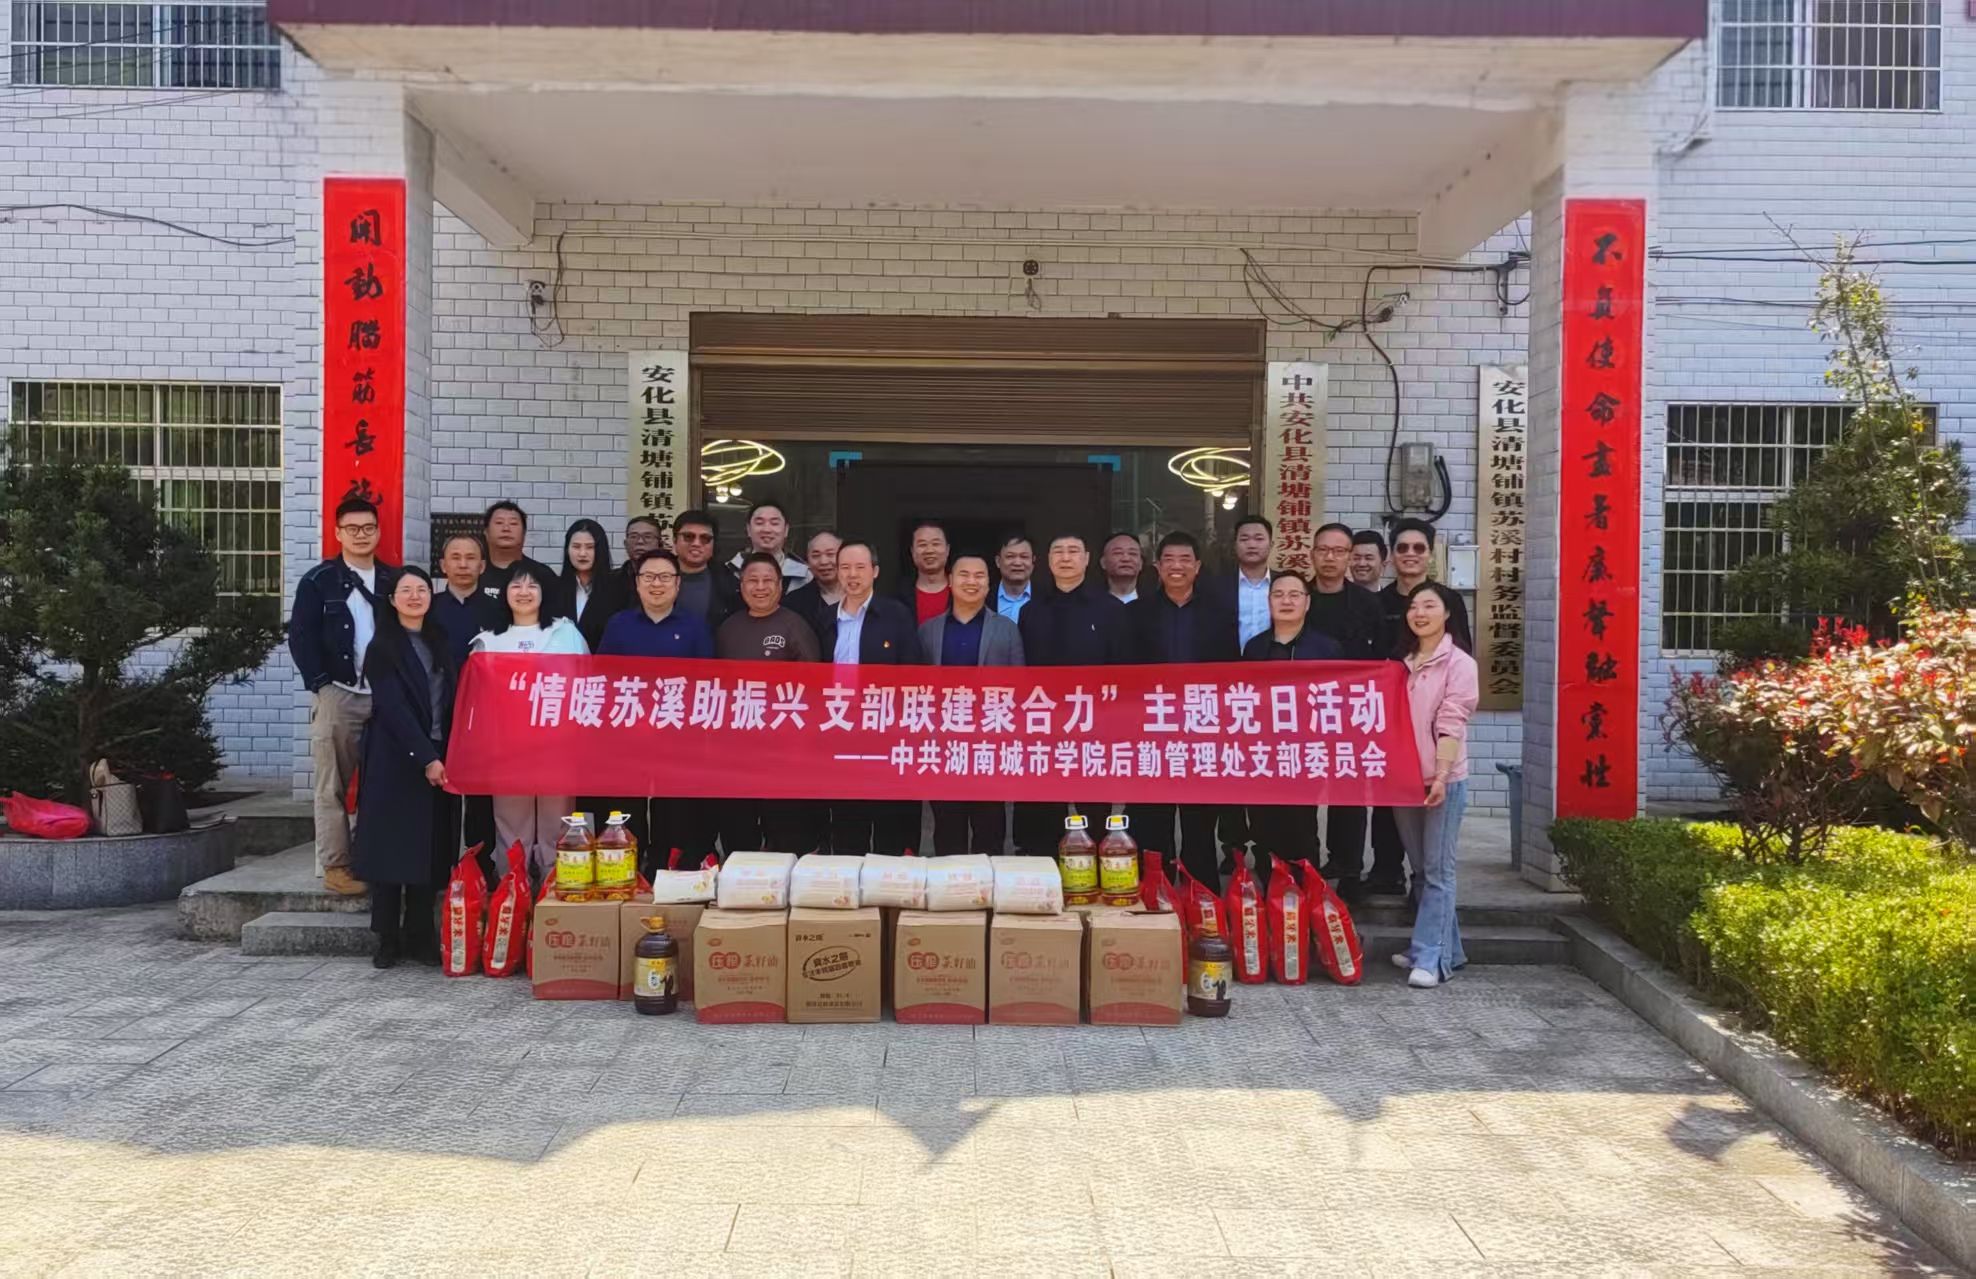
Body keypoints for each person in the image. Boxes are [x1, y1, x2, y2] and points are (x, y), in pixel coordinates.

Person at [286, 495, 396, 895]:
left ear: (378, 532)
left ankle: (375, 860)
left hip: (385, 696)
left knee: (382, 782)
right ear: (337, 533)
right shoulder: (319, 581)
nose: (360, 535)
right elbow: (300, 636)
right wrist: (321, 684)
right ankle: (335, 865)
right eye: (352, 529)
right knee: (331, 783)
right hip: (339, 693)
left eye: (368, 528)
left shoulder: (393, 580)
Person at [350, 567, 457, 969]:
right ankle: (387, 938)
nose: (415, 596)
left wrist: (444, 754)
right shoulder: (383, 647)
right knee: (391, 849)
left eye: (422, 589)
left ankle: (420, 935)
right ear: (392, 600)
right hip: (396, 757)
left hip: (439, 753)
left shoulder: (440, 640)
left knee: (428, 848)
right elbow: (392, 708)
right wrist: (426, 758)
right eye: (406, 590)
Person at [1125, 531, 1239, 887]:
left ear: (1198, 566)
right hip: (1150, 730)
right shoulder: (1135, 613)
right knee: (1150, 820)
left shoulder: (1219, 614)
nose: (1177, 566)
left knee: (1200, 823)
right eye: (1169, 560)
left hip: (1201, 729)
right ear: (1157, 567)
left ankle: (1201, 899)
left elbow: (1230, 672)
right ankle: (1154, 894)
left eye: (1185, 559)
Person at [598, 549, 718, 869]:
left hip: (677, 736)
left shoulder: (694, 627)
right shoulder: (619, 625)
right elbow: (603, 679)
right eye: (649, 577)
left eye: (665, 577)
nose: (656, 584)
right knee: (627, 807)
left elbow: (706, 682)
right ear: (637, 584)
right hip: (628, 734)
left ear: (677, 584)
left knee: (674, 808)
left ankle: (667, 867)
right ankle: (629, 869)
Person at [470, 565, 589, 881]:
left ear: (544, 592)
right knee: (511, 824)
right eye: (516, 585)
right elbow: (476, 701)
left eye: (532, 585)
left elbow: (587, 685)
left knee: (558, 822)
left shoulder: (566, 634)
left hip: (558, 746)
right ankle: (513, 887)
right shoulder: (488, 641)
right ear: (504, 593)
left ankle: (556, 887)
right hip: (507, 749)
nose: (524, 592)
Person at [1390, 582, 1479, 989]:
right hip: (1405, 781)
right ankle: (1448, 949)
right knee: (1423, 870)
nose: (1420, 613)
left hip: (1442, 781)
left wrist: (1441, 775)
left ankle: (1430, 958)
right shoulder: (1402, 662)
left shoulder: (1460, 663)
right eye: (1414, 606)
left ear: (1448, 613)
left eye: (1429, 605)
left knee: (1440, 870)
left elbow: (1452, 720)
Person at [1015, 532, 1126, 853]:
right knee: (1043, 804)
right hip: (1043, 723)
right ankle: (1043, 868)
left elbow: (1122, 670)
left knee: (1094, 805)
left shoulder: (1111, 610)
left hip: (1095, 723)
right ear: (1048, 561)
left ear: (1087, 559)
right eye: (1058, 551)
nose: (1066, 558)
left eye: (1073, 551)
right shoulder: (1031, 611)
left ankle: (1095, 866)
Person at [1240, 571, 1343, 889]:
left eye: (1294, 595)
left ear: (1307, 603)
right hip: (1262, 755)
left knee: (1301, 831)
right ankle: (1270, 897)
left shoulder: (1327, 648)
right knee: (1263, 830)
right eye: (1278, 594)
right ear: (1269, 601)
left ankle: (1306, 898)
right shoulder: (1255, 648)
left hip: (1305, 755)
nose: (1286, 601)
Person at [717, 552, 824, 853]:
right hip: (737, 752)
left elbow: (813, 689)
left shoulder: (795, 626)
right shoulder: (728, 628)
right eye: (753, 580)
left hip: (784, 752)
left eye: (768, 580)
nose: (760, 587)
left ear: (780, 586)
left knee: (787, 834)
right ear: (741, 585)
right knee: (740, 835)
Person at [920, 552, 1024, 856]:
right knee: (947, 828)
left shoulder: (1006, 629)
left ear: (989, 584)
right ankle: (950, 885)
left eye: (979, 576)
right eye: (964, 575)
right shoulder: (929, 630)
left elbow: (1020, 688)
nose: (971, 581)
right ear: (950, 581)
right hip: (943, 745)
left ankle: (987, 886)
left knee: (990, 828)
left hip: (989, 745)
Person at [820, 540, 920, 854]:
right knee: (847, 814)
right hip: (839, 728)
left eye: (860, 567)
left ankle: (886, 880)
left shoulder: (896, 615)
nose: (852, 575)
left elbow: (912, 674)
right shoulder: (825, 618)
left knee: (887, 815)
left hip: (884, 729)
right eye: (845, 568)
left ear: (875, 571)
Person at [1304, 521, 1387, 897]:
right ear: (1312, 554)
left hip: (1352, 711)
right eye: (1323, 550)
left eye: (1339, 551)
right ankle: (1306, 860)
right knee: (1303, 790)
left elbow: (1381, 659)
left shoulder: (1368, 604)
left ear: (1350, 557)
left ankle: (1349, 865)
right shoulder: (1299, 596)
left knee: (1349, 791)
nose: (1330, 558)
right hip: (1304, 711)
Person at [431, 532, 496, 670]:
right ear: (443, 565)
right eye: (455, 557)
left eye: (470, 558)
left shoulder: (499, 609)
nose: (463, 565)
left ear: (482, 566)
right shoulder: (429, 608)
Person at [478, 500, 559, 609]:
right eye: (499, 523)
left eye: (513, 523)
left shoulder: (542, 575)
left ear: (524, 533)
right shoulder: (474, 572)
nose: (506, 529)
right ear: (486, 532)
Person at [557, 518, 623, 649]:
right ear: (567, 550)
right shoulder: (554, 589)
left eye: (590, 547)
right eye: (576, 546)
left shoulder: (618, 589)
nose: (582, 553)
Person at [671, 509, 739, 630]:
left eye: (705, 538)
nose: (696, 543)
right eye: (688, 537)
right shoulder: (654, 577)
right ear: (674, 540)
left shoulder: (729, 583)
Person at [724, 499, 813, 592]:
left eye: (774, 523)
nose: (767, 529)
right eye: (759, 523)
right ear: (748, 529)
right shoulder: (730, 571)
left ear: (786, 530)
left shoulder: (804, 575)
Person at [783, 529, 844, 633]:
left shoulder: (864, 596)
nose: (823, 561)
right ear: (807, 562)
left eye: (830, 554)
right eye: (816, 556)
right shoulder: (793, 604)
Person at [904, 520, 952, 624]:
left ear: (947, 550)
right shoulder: (898, 598)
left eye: (936, 544)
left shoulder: (961, 593)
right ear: (912, 552)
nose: (929, 550)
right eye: (922, 545)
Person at [994, 534, 1036, 622]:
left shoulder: (1048, 599)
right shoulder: (983, 598)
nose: (1017, 563)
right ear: (998, 561)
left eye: (1024, 557)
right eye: (1010, 556)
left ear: (1033, 561)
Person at [1101, 531, 1143, 602]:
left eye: (1133, 553)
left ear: (1141, 563)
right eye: (1118, 553)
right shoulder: (1089, 603)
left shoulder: (1154, 603)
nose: (1126, 559)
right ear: (1103, 562)